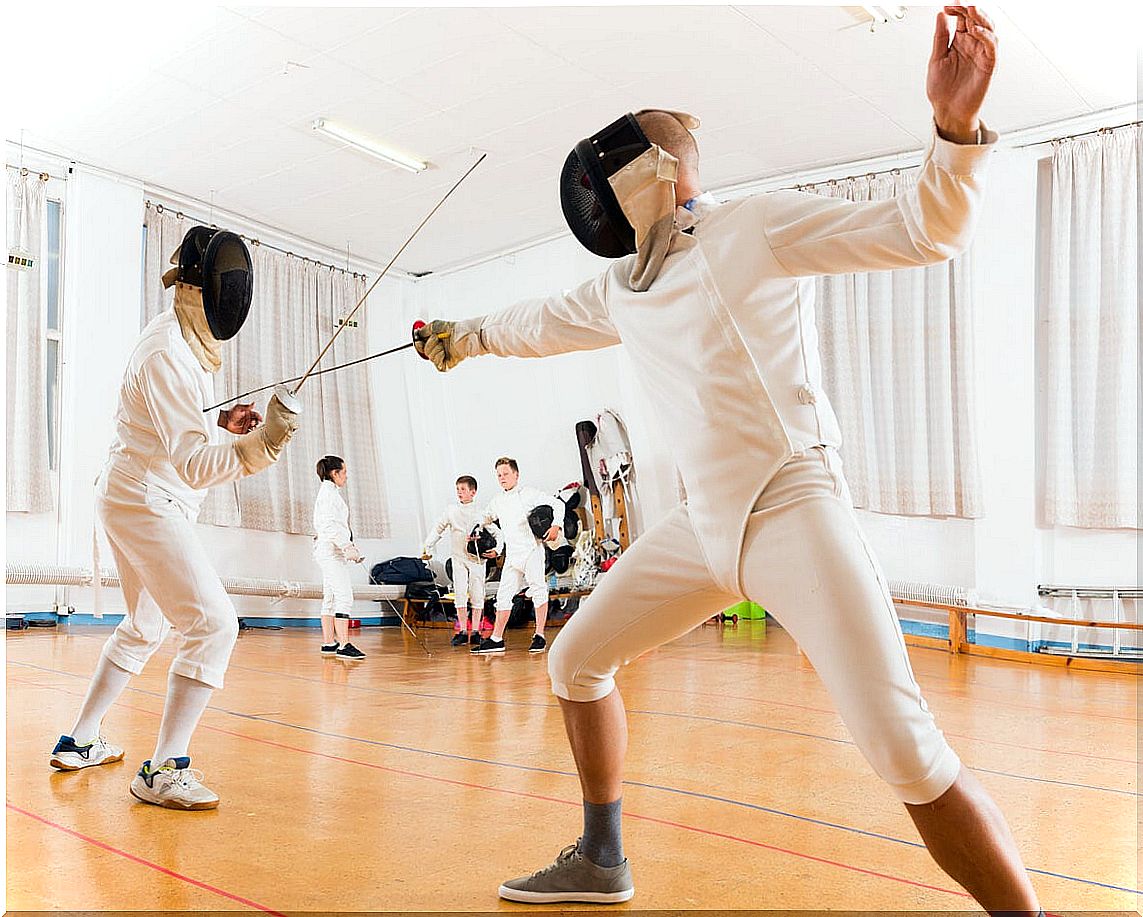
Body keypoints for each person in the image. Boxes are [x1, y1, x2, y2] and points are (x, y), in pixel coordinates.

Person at [415, 8, 1042, 914]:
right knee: (575, 660)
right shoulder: (620, 289)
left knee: (903, 751)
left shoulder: (752, 229)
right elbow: (536, 323)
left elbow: (923, 230)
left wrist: (949, 133)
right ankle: (601, 857)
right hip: (703, 526)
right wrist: (461, 337)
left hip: (791, 509)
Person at [49, 226, 301, 811]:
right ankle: (163, 769)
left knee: (144, 626)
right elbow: (189, 465)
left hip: (133, 491)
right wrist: (261, 446)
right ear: (196, 286)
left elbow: (173, 426)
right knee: (214, 625)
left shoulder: (183, 341)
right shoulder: (167, 350)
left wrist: (224, 424)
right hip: (146, 497)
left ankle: (80, 740)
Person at [468, 458, 562, 655]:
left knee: (538, 590)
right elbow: (485, 516)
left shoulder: (528, 494)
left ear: (516, 475)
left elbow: (556, 504)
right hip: (512, 556)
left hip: (531, 551)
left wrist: (556, 525)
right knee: (503, 596)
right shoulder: (498, 500)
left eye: (506, 474)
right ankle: (496, 639)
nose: (502, 478)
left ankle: (539, 636)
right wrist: (476, 528)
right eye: (499, 475)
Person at [422, 475, 504, 647]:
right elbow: (438, 528)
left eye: (463, 489)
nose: (460, 493)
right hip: (458, 559)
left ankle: (475, 631)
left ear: (473, 492)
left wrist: (497, 550)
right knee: (459, 593)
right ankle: (462, 631)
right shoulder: (451, 510)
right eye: (458, 489)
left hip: (476, 560)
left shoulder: (481, 514)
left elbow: (498, 533)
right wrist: (427, 546)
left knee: (477, 594)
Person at [313, 455, 367, 660]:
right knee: (344, 596)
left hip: (330, 550)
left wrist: (348, 545)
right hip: (331, 551)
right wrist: (346, 546)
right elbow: (328, 526)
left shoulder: (330, 493)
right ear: (334, 473)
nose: (346, 476)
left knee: (331, 597)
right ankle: (344, 645)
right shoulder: (329, 496)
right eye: (343, 472)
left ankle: (329, 643)